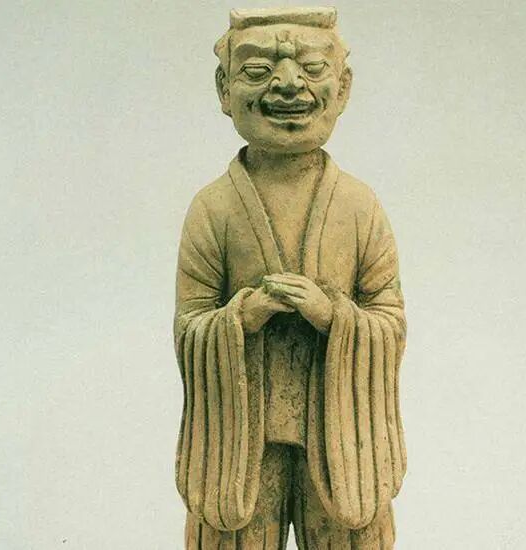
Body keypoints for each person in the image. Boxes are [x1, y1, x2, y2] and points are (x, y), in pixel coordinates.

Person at [173, 7, 407, 549]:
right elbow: (189, 325)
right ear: (224, 88)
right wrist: (241, 317)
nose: (287, 84)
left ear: (342, 88)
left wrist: (334, 317)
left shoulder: (359, 206)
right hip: (240, 445)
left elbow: (390, 321)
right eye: (258, 71)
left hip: (341, 437)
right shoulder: (213, 208)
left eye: (312, 68)